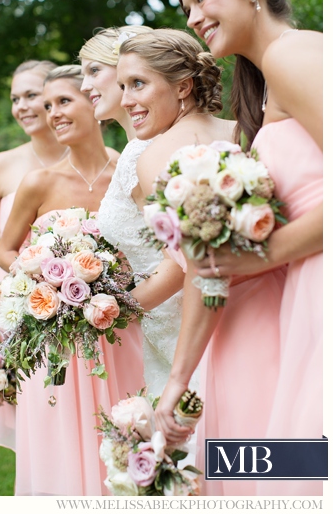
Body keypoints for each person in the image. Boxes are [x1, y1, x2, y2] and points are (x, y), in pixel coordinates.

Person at [156, 0, 322, 496]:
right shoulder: (265, 88)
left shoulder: (295, 55)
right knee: (298, 475)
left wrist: (256, 258)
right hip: (292, 305)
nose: (194, 17)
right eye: (186, 8)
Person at [0, 65, 128, 495]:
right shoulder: (39, 182)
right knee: (62, 453)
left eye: (63, 101)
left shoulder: (129, 173)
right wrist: (43, 281)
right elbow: (5, 250)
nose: (53, 113)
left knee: (123, 441)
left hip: (120, 332)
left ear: (95, 101)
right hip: (58, 339)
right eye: (47, 105)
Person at [80, 25, 193, 400]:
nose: (85, 85)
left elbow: (181, 259)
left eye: (93, 71)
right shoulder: (138, 148)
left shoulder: (146, 154)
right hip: (161, 323)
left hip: (180, 317)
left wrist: (114, 311)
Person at [0, 59, 65, 450]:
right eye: (15, 98)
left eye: (31, 95)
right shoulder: (0, 166)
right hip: (11, 305)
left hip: (78, 301)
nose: (21, 106)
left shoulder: (102, 160)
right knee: (30, 414)